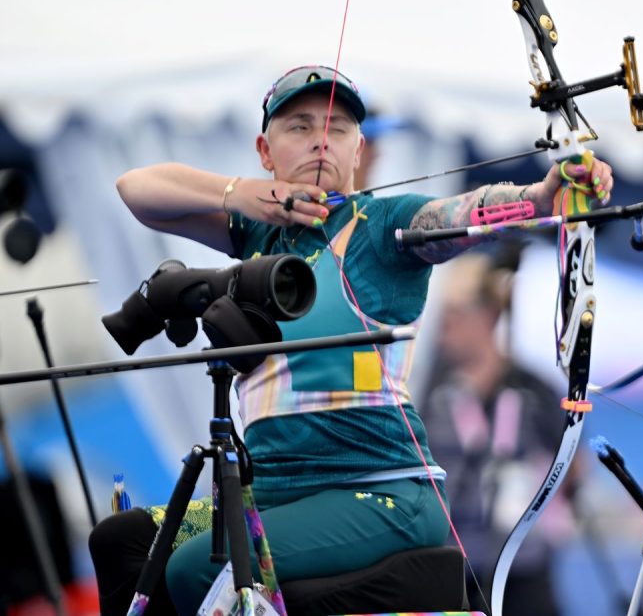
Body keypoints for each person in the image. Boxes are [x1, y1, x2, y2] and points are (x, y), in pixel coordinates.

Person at [87, 64, 614, 615]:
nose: (321, 139)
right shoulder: (254, 232)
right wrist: (241, 194)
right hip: (277, 491)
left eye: (338, 128)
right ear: (265, 150)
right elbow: (136, 189)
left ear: (358, 150)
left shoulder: (387, 226)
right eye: (300, 126)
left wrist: (540, 195)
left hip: (382, 493)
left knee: (198, 567)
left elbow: (463, 214)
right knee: (121, 539)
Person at [420, 249, 569, 615]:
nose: (444, 327)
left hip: (526, 568)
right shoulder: (432, 392)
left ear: (487, 315)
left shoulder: (535, 389)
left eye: (454, 314)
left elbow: (572, 465)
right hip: (456, 571)